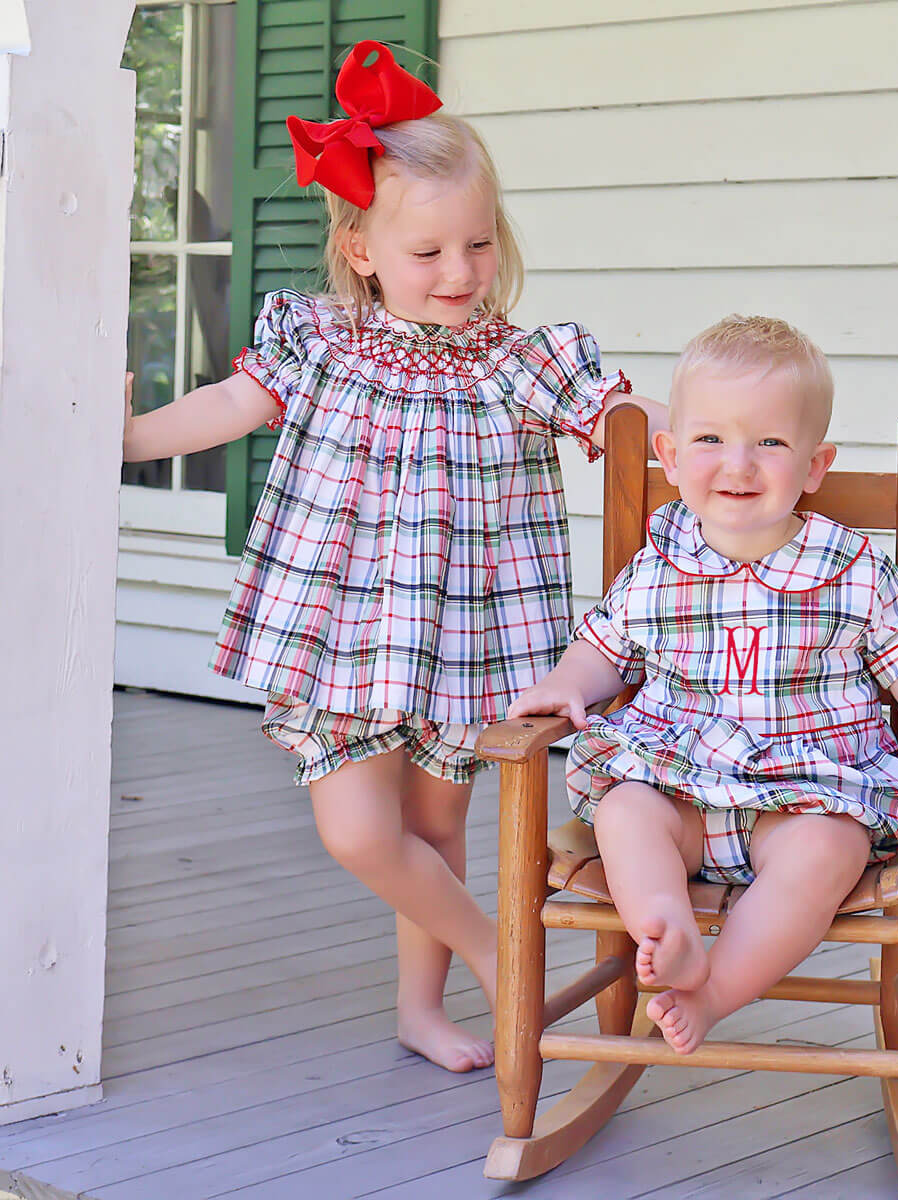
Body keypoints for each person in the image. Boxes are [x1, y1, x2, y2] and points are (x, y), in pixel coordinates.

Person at [123, 40, 666, 1073]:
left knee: (436, 826)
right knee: (361, 834)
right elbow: (231, 406)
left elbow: (620, 414)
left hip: (468, 634)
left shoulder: (517, 361)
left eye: (475, 244)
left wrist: (703, 434)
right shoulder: (319, 342)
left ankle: (424, 1010)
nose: (460, 274)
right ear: (363, 248)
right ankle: (506, 965)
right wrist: (128, 437)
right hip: (342, 628)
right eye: (429, 254)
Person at [508, 314, 898, 1054]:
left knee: (827, 854)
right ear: (668, 452)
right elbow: (603, 649)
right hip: (676, 782)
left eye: (770, 442)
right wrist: (569, 684)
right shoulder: (657, 562)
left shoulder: (849, 566)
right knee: (624, 812)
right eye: (710, 439)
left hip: (807, 792)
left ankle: (717, 989)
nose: (739, 464)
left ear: (814, 466)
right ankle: (668, 927)